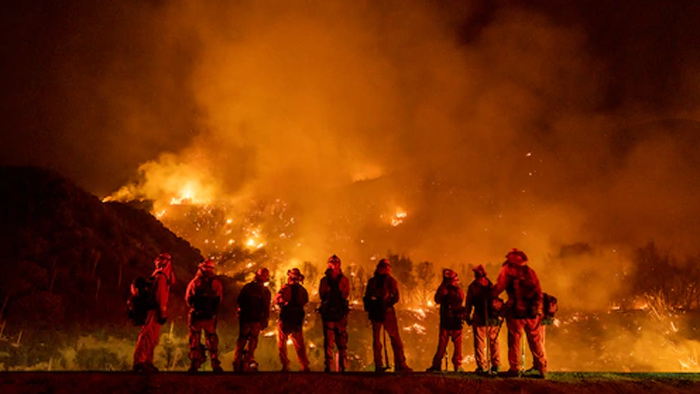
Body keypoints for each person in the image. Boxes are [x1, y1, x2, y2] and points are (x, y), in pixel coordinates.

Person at [492, 248, 547, 378]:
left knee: (514, 340)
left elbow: (499, 287)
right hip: (532, 312)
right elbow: (539, 292)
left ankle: (515, 368)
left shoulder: (508, 271)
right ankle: (542, 368)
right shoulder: (530, 272)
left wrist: (490, 295)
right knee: (536, 341)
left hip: (516, 313)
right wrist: (539, 310)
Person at [363, 259, 412, 373]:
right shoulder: (379, 281)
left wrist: (384, 303)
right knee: (386, 339)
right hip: (381, 312)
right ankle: (391, 364)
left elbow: (395, 297)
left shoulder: (385, 281)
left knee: (390, 338)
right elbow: (394, 297)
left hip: (385, 311)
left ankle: (396, 364)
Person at [133, 252, 175, 372]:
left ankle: (146, 361)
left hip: (152, 310)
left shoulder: (156, 275)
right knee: (147, 336)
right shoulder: (161, 277)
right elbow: (160, 297)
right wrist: (163, 313)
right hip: (154, 311)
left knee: (151, 337)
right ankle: (140, 361)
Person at [185, 259, 224, 373]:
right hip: (209, 316)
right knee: (211, 339)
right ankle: (214, 363)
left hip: (196, 315)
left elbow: (187, 299)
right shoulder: (216, 283)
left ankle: (194, 364)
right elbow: (219, 299)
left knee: (194, 340)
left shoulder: (194, 282)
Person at [426, 269, 465, 372]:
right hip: (451, 321)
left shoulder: (451, 290)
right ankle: (450, 364)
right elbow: (438, 299)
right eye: (455, 280)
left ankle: (443, 364)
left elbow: (438, 299)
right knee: (448, 344)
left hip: (451, 321)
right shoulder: (451, 290)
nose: (456, 282)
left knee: (450, 344)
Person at [234, 267, 272, 372]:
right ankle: (247, 362)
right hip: (255, 320)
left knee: (242, 340)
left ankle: (237, 363)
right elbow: (266, 308)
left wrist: (240, 314)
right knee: (252, 341)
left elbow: (239, 301)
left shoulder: (247, 288)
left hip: (246, 319)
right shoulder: (265, 291)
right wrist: (265, 320)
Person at [465, 264, 501, 374]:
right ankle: (496, 364)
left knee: (480, 342)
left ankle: (482, 366)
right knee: (494, 342)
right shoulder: (491, 286)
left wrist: (467, 317)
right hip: (492, 319)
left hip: (480, 318)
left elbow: (468, 304)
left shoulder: (473, 287)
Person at [318, 254, 350, 372]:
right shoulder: (325, 280)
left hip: (340, 313)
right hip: (329, 314)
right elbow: (322, 295)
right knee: (329, 340)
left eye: (335, 263)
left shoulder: (343, 280)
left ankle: (342, 366)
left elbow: (345, 294)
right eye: (331, 263)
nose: (333, 265)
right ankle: (329, 366)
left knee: (341, 340)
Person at [275, 268, 311, 372]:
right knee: (298, 343)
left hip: (287, 318)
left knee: (283, 343)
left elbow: (277, 300)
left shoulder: (285, 288)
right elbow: (305, 301)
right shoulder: (301, 290)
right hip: (294, 319)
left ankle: (286, 364)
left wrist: (283, 302)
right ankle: (304, 365)